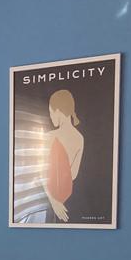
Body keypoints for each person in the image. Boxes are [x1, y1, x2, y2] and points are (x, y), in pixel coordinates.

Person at [43, 89, 84, 223]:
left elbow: (41, 174)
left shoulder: (49, 136)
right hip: (68, 199)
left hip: (50, 200)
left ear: (58, 111)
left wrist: (54, 202)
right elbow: (73, 175)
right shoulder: (80, 138)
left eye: (51, 112)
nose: (51, 117)